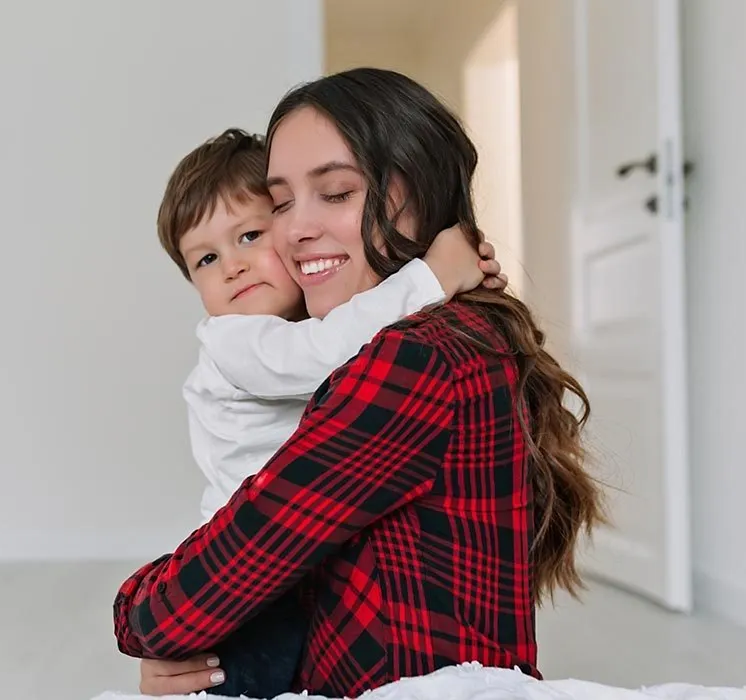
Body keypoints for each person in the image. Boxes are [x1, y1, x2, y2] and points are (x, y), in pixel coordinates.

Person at [115, 67, 606, 698]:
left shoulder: (415, 359)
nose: (294, 230)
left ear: (421, 191)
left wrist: (144, 622)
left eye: (337, 193)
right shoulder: (447, 337)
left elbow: (181, 604)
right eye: (283, 202)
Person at [151, 128, 505, 698]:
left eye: (249, 235)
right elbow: (327, 352)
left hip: (291, 553)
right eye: (207, 259)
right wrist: (434, 277)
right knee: (247, 683)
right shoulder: (234, 340)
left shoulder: (329, 335)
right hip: (250, 576)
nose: (234, 267)